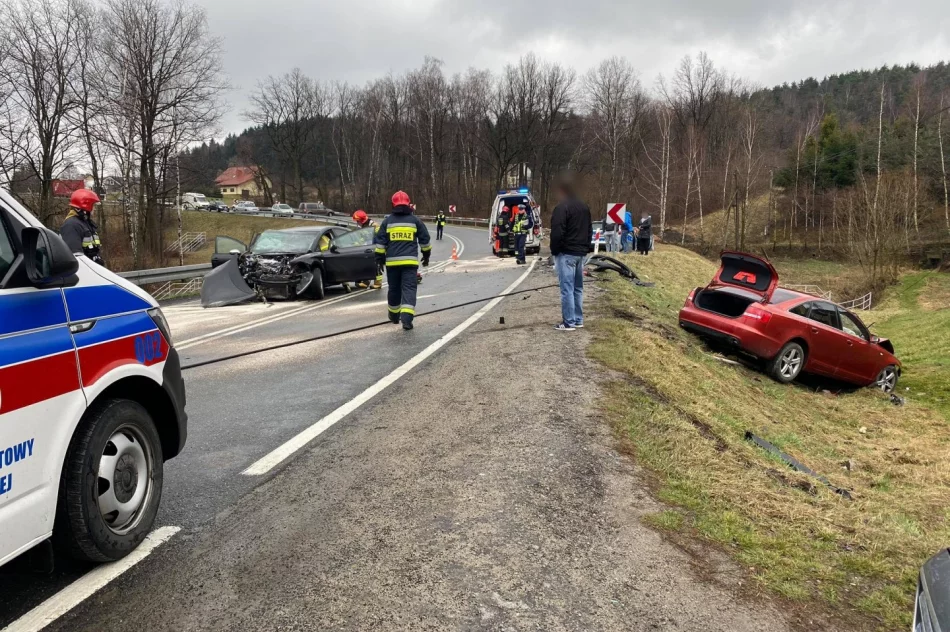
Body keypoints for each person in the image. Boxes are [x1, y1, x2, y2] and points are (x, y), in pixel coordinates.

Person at [374, 191, 431, 330]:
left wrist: (379, 261)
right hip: (410, 263)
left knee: (394, 289)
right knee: (409, 289)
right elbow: (425, 240)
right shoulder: (415, 221)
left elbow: (380, 243)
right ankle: (406, 320)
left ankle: (394, 316)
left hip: (392, 263)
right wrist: (426, 255)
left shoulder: (387, 222)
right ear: (408, 204)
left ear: (393, 204)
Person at [549, 178, 592, 331]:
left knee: (566, 288)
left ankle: (568, 322)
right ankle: (578, 319)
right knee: (578, 288)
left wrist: (555, 251)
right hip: (581, 253)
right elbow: (589, 230)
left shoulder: (562, 208)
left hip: (566, 253)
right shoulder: (584, 207)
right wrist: (586, 248)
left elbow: (557, 232)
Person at [60, 189, 104, 266]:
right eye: (93, 206)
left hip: (92, 270)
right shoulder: (71, 225)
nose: (94, 209)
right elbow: (75, 258)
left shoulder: (85, 223)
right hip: (84, 273)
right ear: (84, 208)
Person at [353, 210, 383, 289]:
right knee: (367, 265)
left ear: (362, 220)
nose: (357, 223)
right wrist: (356, 244)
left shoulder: (374, 225)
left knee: (377, 265)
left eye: (358, 221)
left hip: (376, 248)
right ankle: (366, 282)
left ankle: (378, 283)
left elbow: (379, 237)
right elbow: (362, 239)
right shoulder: (363, 227)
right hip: (368, 249)